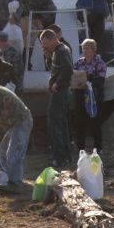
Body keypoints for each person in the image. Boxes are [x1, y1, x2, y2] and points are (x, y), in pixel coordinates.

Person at [41, 29, 72, 168]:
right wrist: (48, 56)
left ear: (51, 39)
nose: (44, 46)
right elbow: (54, 69)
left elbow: (68, 69)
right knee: (60, 123)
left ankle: (60, 157)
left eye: (44, 43)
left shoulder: (61, 50)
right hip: (59, 91)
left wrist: (56, 84)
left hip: (60, 92)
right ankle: (65, 155)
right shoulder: (56, 52)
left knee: (55, 123)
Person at [73, 38, 107, 154]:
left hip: (94, 96)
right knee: (79, 121)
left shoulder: (100, 63)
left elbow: (101, 80)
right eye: (84, 48)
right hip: (80, 95)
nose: (85, 51)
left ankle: (98, 147)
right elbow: (73, 77)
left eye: (88, 48)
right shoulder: (78, 63)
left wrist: (88, 80)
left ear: (94, 50)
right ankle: (80, 148)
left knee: (95, 122)